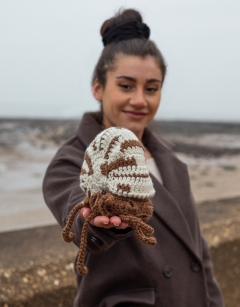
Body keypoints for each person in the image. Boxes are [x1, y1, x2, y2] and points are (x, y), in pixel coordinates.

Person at [43, 9, 224, 307]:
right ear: (98, 88)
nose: (140, 100)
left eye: (151, 88)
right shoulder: (70, 160)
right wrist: (103, 224)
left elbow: (197, 252)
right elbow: (76, 213)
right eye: (125, 86)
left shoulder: (170, 159)